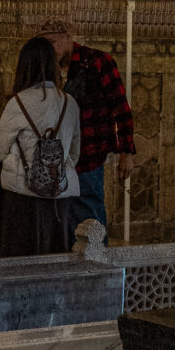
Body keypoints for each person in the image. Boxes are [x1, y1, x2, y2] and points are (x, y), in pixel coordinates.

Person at [39, 14, 135, 233]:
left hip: (88, 157)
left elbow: (120, 108)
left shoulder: (97, 62)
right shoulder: (48, 69)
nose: (50, 49)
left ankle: (98, 264)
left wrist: (125, 154)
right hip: (57, 161)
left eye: (53, 42)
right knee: (63, 223)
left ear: (66, 38)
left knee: (90, 218)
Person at [0, 35, 80, 256]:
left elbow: (0, 149)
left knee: (19, 258)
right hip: (60, 196)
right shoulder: (69, 103)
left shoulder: (18, 103)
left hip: (21, 196)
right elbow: (75, 152)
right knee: (55, 255)